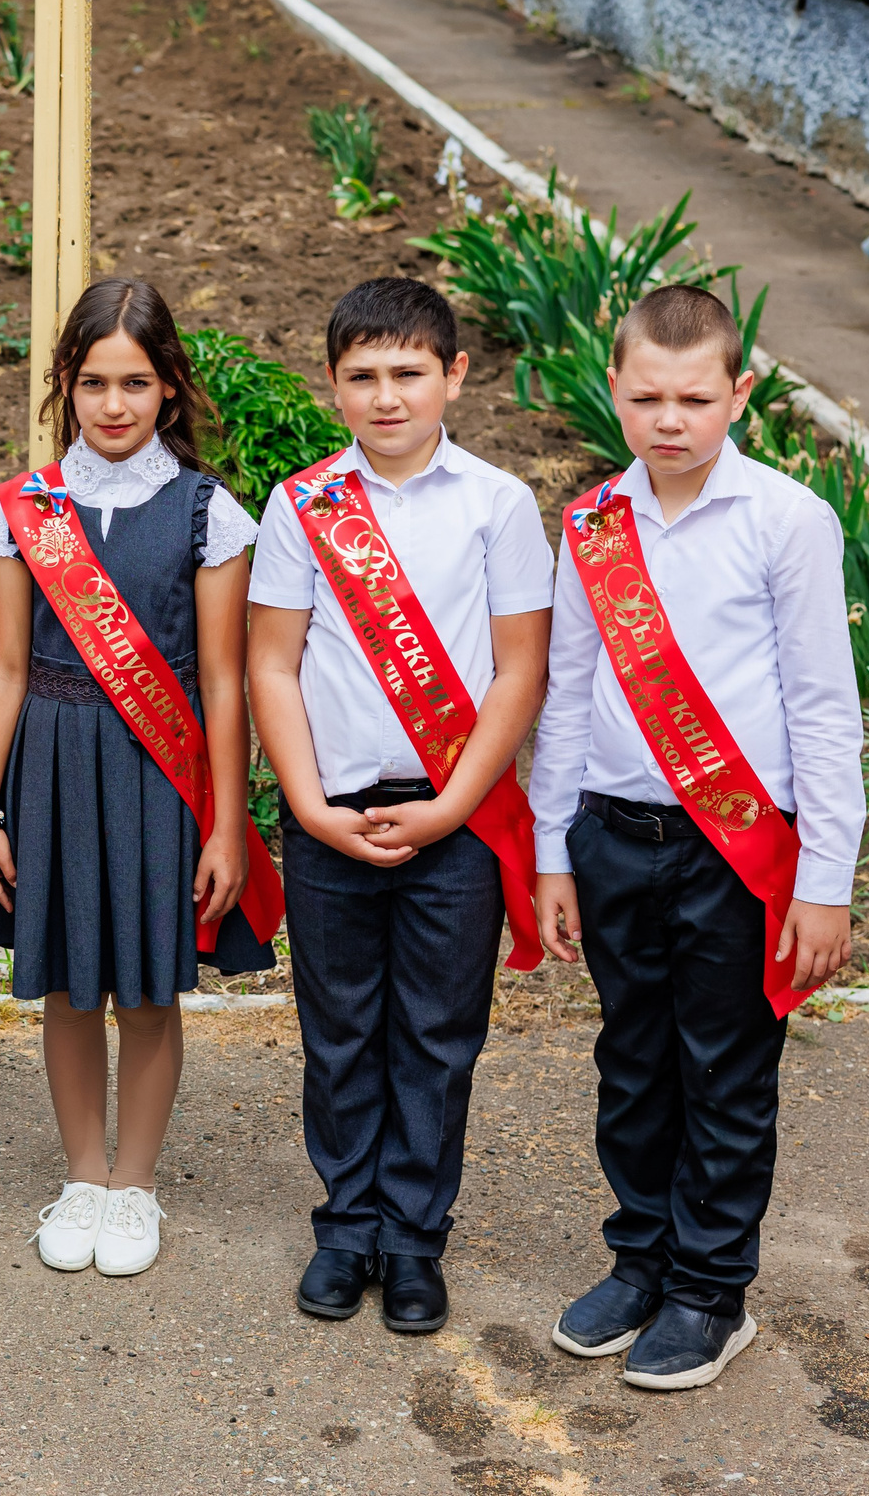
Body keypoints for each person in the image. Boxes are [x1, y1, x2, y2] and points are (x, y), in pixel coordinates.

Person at [531, 284, 863, 1391]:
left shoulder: (785, 521)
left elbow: (822, 709)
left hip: (736, 846)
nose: (668, 421)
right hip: (614, 838)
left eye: (693, 398)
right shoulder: (590, 526)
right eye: (645, 398)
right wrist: (550, 851)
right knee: (631, 1063)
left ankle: (710, 1292)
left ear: (740, 394)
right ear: (613, 386)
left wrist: (823, 882)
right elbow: (567, 698)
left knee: (723, 1069)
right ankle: (639, 1262)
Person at [0, 277, 286, 1280]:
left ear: (169, 391)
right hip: (49, 765)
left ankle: (136, 1183)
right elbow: (5, 666)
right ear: (63, 383)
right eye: (93, 382)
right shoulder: (25, 509)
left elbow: (227, 683)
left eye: (134, 384)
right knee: (66, 981)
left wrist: (227, 827)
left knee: (146, 989)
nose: (112, 405)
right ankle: (84, 1174)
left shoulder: (207, 513)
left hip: (160, 773)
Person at [247, 278, 553, 1335]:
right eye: (362, 377)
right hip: (329, 815)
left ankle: (413, 1239)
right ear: (331, 385)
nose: (386, 398)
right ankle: (346, 1228)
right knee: (336, 1031)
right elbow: (273, 666)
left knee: (434, 1031)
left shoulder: (498, 504)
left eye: (408, 374)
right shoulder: (300, 505)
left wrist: (453, 806)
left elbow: (519, 673)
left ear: (453, 376)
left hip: (452, 819)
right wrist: (307, 806)